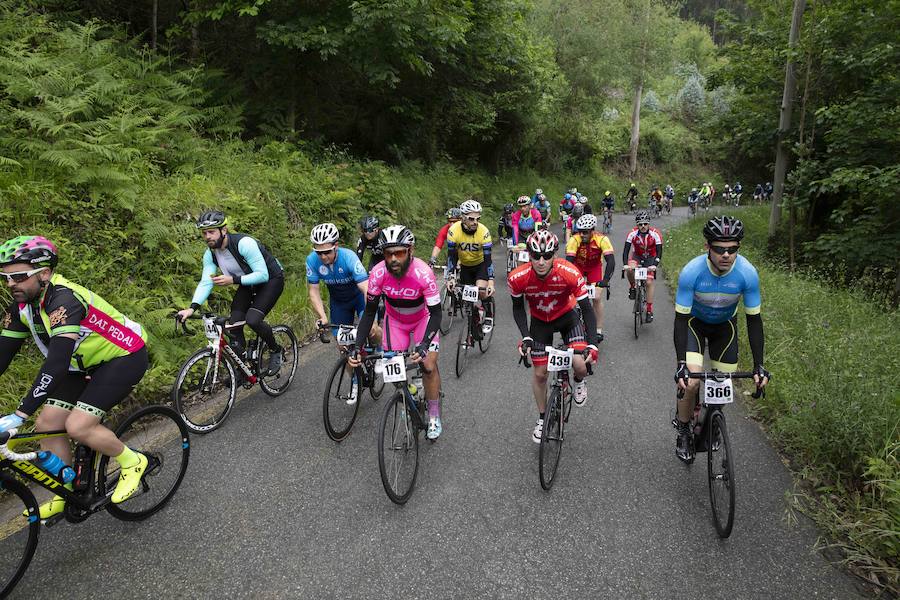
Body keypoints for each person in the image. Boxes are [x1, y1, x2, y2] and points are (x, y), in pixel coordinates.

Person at [0, 236, 150, 519]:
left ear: (44, 273)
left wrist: (20, 414)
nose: (11, 285)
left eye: (18, 277)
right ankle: (64, 489)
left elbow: (55, 365)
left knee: (78, 426)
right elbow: (2, 355)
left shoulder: (63, 300)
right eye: (5, 278)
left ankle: (133, 460)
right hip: (79, 365)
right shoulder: (24, 307)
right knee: (47, 424)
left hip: (123, 357)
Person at [672, 216, 770, 461]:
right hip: (695, 325)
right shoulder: (692, 272)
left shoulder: (747, 274)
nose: (726, 255)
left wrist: (759, 365)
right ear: (707, 247)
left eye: (732, 249)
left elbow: (754, 321)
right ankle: (683, 429)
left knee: (721, 384)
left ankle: (712, 419)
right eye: (719, 249)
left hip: (725, 328)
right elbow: (681, 320)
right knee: (692, 382)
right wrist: (681, 364)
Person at [348, 226, 444, 439]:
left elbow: (437, 314)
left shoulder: (423, 273)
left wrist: (424, 344)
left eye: (399, 253)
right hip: (395, 322)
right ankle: (408, 392)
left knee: (428, 366)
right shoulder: (377, 273)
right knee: (392, 368)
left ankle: (435, 415)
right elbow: (369, 313)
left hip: (423, 319)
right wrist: (357, 346)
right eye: (388, 253)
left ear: (411, 250)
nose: (393, 259)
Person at [508, 230, 599, 443]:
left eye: (547, 256)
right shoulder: (518, 278)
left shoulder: (569, 272)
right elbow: (518, 309)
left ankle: (578, 381)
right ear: (528, 254)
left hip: (567, 318)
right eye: (536, 256)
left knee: (579, 364)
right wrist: (526, 336)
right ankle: (542, 418)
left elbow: (587, 309)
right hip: (540, 323)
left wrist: (593, 344)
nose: (541, 261)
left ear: (554, 255)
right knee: (540, 374)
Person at [177, 210, 285, 375]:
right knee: (233, 325)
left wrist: (233, 280)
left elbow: (262, 274)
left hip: (271, 280)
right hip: (246, 283)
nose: (207, 237)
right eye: (204, 233)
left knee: (253, 320)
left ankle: (276, 350)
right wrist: (191, 308)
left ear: (224, 230)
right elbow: (206, 281)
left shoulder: (244, 243)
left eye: (211, 232)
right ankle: (244, 369)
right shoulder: (211, 254)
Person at [447, 200, 495, 334]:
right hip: (465, 267)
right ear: (462, 218)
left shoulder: (483, 232)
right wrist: (450, 276)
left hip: (481, 265)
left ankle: (489, 313)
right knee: (467, 299)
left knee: (481, 291)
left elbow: (488, 260)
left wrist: (490, 281)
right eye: (471, 219)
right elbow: (452, 256)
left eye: (478, 219)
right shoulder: (453, 231)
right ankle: (474, 318)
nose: (475, 222)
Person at [566, 214, 615, 342]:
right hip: (578, 268)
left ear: (592, 230)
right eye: (580, 231)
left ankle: (598, 330)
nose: (582, 234)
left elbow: (611, 261)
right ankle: (571, 325)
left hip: (594, 268)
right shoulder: (574, 240)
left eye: (585, 232)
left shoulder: (602, 239)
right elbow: (569, 263)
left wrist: (605, 281)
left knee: (597, 298)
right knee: (572, 296)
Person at [622, 211, 663, 323]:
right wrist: (625, 264)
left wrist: (655, 265)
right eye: (640, 224)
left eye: (645, 224)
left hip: (651, 257)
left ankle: (649, 310)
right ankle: (632, 287)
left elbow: (659, 252)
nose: (643, 226)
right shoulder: (632, 233)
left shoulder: (656, 233)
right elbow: (626, 251)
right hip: (637, 256)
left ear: (648, 224)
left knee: (649, 282)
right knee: (630, 269)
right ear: (637, 225)